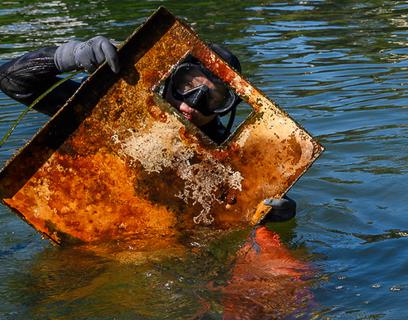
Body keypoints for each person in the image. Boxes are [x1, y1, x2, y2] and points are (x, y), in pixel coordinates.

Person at [0, 34, 295, 222]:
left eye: (212, 98)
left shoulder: (227, 158)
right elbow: (12, 81)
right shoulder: (113, 110)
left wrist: (275, 212)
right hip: (86, 227)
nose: (191, 105)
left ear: (226, 108)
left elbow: (248, 209)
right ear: (169, 78)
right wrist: (71, 56)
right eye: (186, 86)